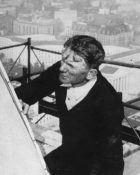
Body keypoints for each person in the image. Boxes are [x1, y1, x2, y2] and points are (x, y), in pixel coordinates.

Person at [15, 35, 124, 175]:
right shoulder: (63, 71)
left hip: (93, 167)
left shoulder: (108, 103)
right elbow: (33, 89)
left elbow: (112, 160)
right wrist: (20, 99)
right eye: (63, 59)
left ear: (91, 73)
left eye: (71, 65)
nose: (62, 68)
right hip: (67, 152)